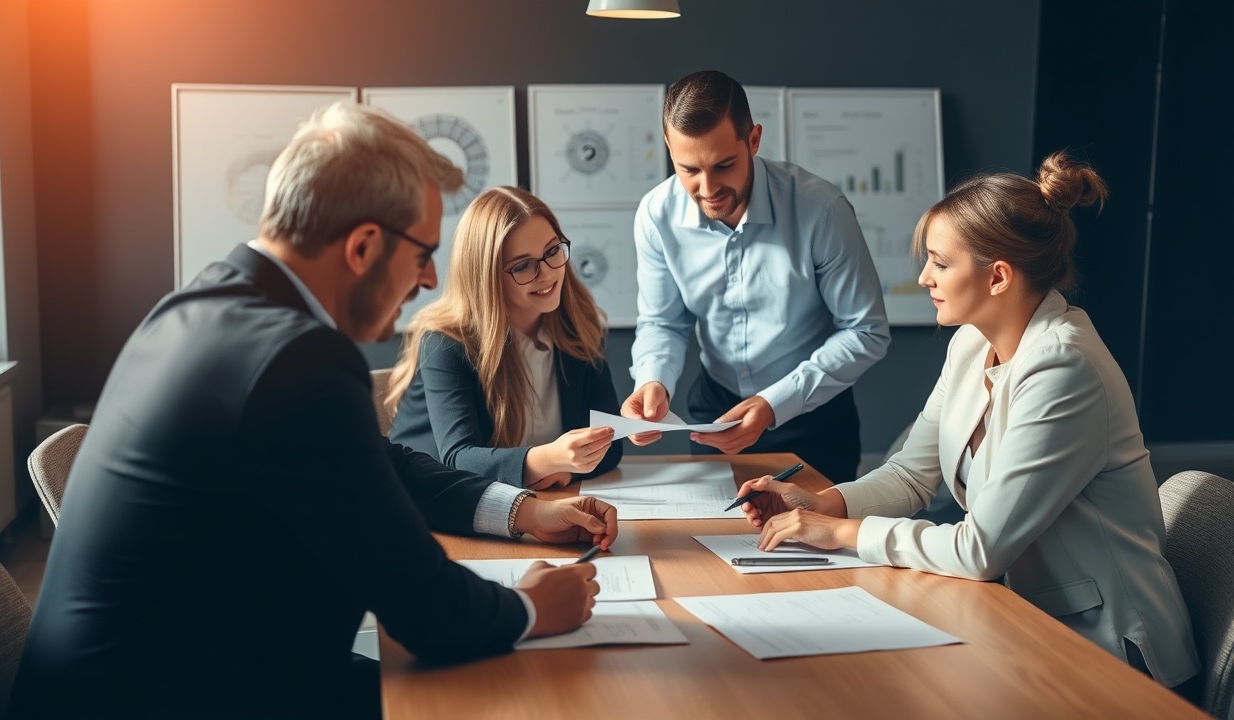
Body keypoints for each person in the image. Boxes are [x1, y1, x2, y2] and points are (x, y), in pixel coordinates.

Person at [9, 102, 619, 720]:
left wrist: (522, 511)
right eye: (421, 255)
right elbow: (426, 609)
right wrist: (534, 607)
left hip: (169, 673)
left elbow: (382, 468)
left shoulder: (204, 305)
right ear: (362, 247)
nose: (431, 280)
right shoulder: (297, 359)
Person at [735, 151, 1200, 688]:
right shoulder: (971, 344)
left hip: (1113, 653)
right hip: (1029, 622)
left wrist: (839, 531)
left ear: (998, 276)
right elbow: (912, 473)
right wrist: (821, 503)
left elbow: (978, 550)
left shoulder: (1063, 367)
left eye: (940, 261)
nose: (925, 276)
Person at [622, 69, 890, 485]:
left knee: (815, 548)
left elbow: (867, 331)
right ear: (669, 149)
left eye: (723, 165)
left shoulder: (821, 210)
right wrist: (653, 380)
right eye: (688, 169)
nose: (707, 187)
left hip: (811, 418)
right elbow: (663, 322)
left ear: (754, 140)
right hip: (714, 414)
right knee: (717, 546)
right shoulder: (656, 215)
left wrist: (775, 403)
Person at [387, 186, 622, 489]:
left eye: (552, 251)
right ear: (486, 277)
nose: (548, 273)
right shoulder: (446, 342)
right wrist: (548, 461)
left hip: (521, 503)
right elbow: (458, 457)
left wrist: (567, 471)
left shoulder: (580, 328)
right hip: (429, 505)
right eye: (523, 266)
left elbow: (611, 444)